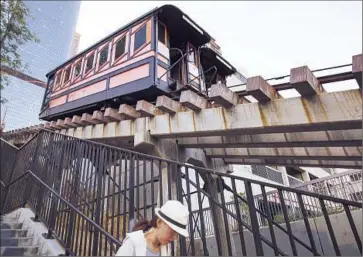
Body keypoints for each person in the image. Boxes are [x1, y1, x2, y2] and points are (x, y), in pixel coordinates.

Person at [115, 200, 189, 256]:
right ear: (159, 222)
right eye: (173, 231)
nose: (175, 237)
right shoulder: (133, 244)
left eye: (177, 233)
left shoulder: (165, 248)